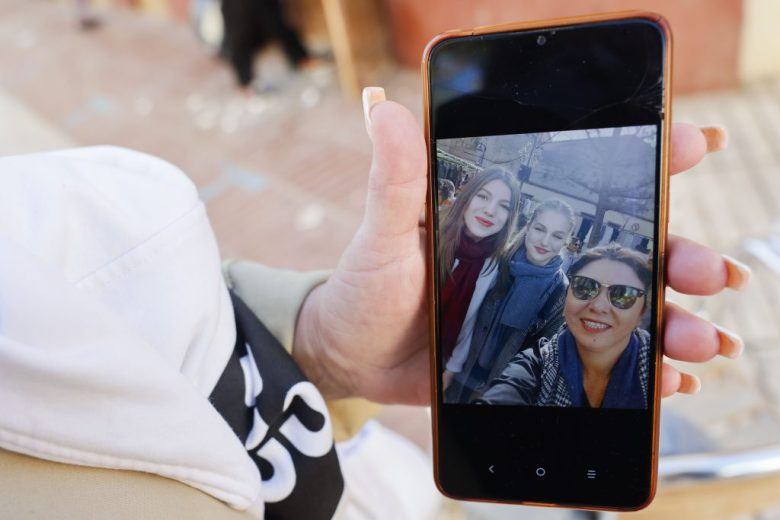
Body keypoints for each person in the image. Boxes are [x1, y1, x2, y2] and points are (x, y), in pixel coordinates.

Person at [0, 88, 749, 518]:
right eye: (492, 201)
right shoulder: (474, 262)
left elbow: (158, 302)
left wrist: (315, 336)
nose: (548, 241)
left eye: (558, 231)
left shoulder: (538, 285)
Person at [478, 244, 654, 408]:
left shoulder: (655, 369)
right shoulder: (535, 365)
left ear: (641, 312)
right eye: (584, 287)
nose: (599, 306)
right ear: (566, 298)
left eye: (623, 294)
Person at [445, 198, 576, 403]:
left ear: (566, 241)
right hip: (456, 372)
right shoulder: (495, 262)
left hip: (500, 393)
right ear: (529, 226)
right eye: (540, 229)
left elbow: (544, 360)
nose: (545, 241)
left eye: (557, 236)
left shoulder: (561, 293)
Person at [438, 167, 521, 390]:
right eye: (483, 196)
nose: (490, 211)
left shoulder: (494, 264)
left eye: (504, 206)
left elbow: (469, 319)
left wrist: (452, 368)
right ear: (467, 196)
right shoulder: (432, 236)